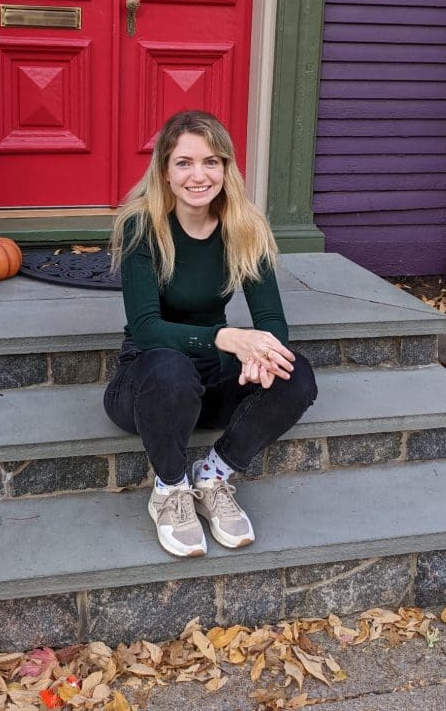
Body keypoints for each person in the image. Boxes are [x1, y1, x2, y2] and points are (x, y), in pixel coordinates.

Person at [104, 109, 318, 558]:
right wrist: (228, 337)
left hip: (213, 383)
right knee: (170, 369)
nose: (198, 175)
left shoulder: (245, 227)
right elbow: (146, 329)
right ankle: (171, 489)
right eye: (184, 162)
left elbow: (272, 321)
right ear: (164, 170)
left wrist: (260, 354)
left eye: (211, 162)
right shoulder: (141, 226)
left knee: (295, 373)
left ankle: (213, 475)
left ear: (226, 168)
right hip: (148, 381)